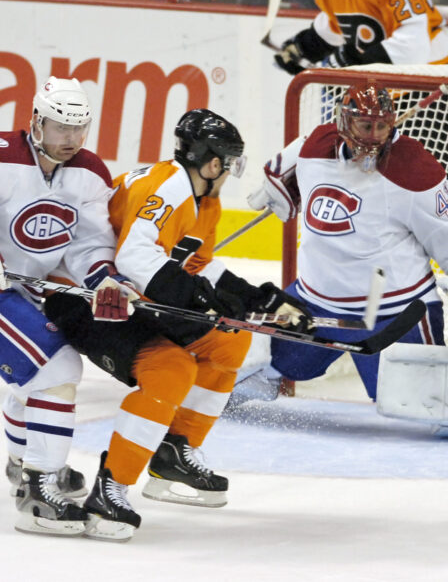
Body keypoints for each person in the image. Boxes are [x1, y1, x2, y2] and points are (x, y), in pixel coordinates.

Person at [42, 108, 310, 540]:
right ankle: (110, 491)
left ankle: (174, 451)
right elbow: (134, 259)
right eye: (230, 164)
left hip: (133, 295)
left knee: (230, 341)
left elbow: (198, 266)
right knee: (170, 371)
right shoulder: (168, 185)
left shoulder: (203, 199)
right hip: (86, 296)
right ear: (214, 162)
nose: (229, 174)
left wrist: (258, 298)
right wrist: (200, 298)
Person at [232, 82, 448, 405]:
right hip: (316, 304)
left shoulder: (412, 167)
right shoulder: (316, 146)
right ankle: (211, 400)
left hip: (392, 313)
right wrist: (276, 181)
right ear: (343, 123)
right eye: (365, 125)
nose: (373, 137)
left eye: (382, 127)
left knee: (419, 404)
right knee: (258, 363)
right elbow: (290, 160)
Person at [270, 0, 448, 298]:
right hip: (382, 100)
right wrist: (302, 47)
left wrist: (346, 58)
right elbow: (336, 25)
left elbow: (413, 47)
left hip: (436, 85)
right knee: (367, 185)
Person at [0, 76, 138, 536]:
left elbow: (87, 244)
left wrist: (106, 280)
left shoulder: (90, 172)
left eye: (80, 130)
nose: (72, 140)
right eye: (61, 128)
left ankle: (25, 464)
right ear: (36, 121)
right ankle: (40, 489)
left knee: (34, 376)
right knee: (57, 369)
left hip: (24, 291)